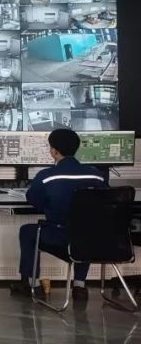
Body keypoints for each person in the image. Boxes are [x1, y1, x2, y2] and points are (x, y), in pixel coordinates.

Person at [12, 128, 108, 300]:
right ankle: (79, 286)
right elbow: (106, 202)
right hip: (90, 240)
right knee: (86, 227)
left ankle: (32, 284)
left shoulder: (46, 176)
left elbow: (34, 200)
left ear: (54, 151)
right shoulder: (97, 176)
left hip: (59, 236)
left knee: (27, 231)